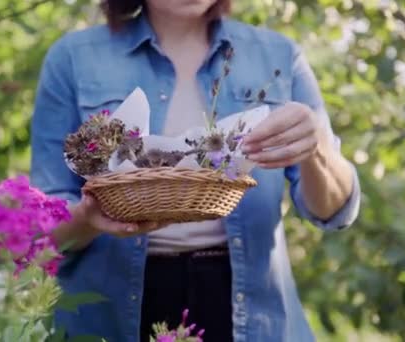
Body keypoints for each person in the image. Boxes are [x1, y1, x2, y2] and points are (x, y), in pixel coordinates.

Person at [30, 0, 361, 341]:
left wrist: (316, 145)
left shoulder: (278, 55)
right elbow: (41, 234)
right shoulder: (73, 58)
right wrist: (87, 218)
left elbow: (334, 212)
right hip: (113, 310)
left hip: (249, 310)